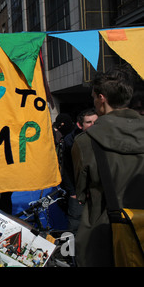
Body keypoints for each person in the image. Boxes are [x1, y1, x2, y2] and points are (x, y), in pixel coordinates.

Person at [71, 64, 144, 267]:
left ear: (101, 98)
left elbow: (81, 190)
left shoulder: (85, 142)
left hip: (104, 237)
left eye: (94, 97)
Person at [60, 108, 98, 230]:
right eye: (89, 122)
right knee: (76, 225)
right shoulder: (70, 142)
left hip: (97, 192)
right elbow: (66, 169)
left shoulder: (103, 138)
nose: (93, 125)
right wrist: (72, 193)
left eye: (95, 122)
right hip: (77, 192)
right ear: (79, 125)